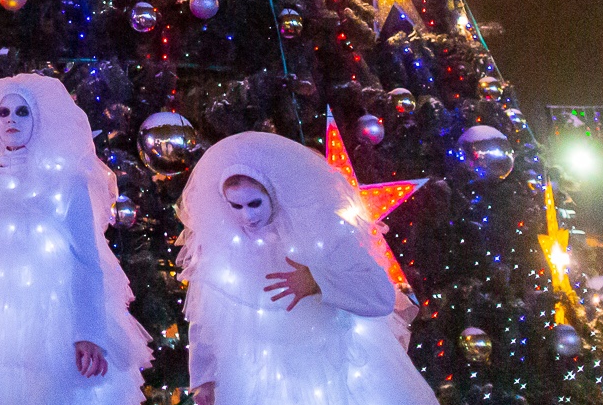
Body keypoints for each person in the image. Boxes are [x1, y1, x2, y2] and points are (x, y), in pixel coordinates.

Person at [0, 73, 151, 405]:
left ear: (38, 119)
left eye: (22, 112)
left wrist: (89, 332)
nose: (12, 119)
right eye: (4, 112)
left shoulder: (67, 182)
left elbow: (86, 259)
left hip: (54, 325)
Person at [177, 130, 437, 405]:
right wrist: (203, 378)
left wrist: (317, 282)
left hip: (336, 370)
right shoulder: (224, 249)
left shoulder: (323, 233)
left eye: (254, 203)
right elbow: (206, 316)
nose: (247, 216)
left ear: (272, 194)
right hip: (260, 380)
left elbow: (381, 297)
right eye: (236, 205)